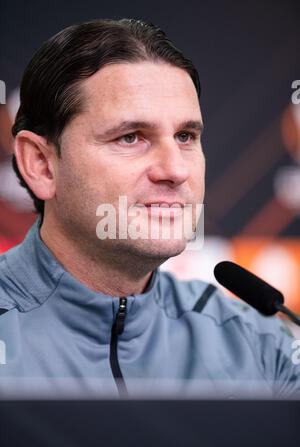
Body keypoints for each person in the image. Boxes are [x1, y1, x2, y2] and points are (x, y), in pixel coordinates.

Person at [0, 18, 299, 398]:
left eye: (185, 136)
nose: (175, 170)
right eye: (130, 137)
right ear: (42, 164)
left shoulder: (261, 347)